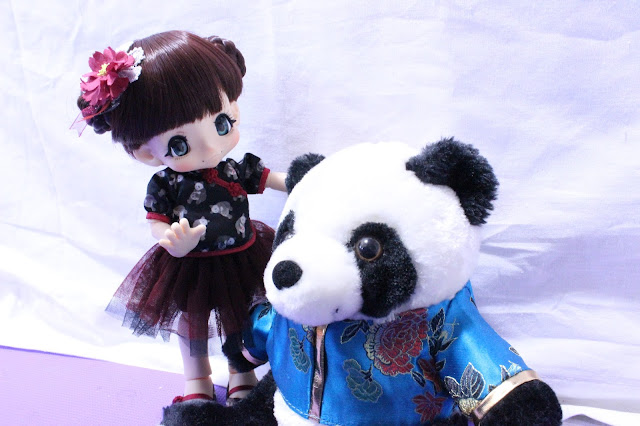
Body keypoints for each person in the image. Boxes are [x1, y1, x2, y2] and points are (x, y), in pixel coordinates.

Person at [74, 30, 286, 406]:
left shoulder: (234, 169)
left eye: (222, 124)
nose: (210, 146)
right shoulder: (167, 184)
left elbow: (269, 178)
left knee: (240, 315)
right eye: (179, 144)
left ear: (234, 109)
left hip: (241, 254)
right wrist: (170, 238)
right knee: (192, 324)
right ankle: (197, 379)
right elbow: (155, 220)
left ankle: (241, 372)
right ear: (146, 153)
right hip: (191, 263)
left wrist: (302, 179)